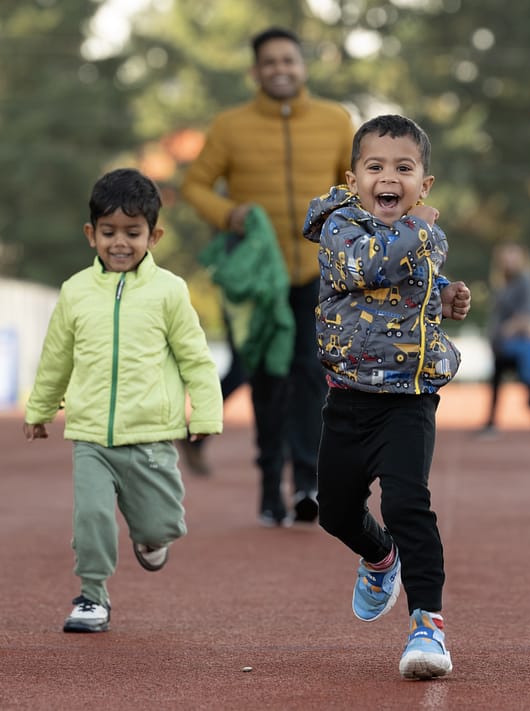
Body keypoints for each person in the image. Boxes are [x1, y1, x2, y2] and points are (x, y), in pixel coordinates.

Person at [303, 114, 472, 679]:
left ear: (424, 183)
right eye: (375, 167)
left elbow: (409, 283)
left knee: (406, 504)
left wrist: (444, 294)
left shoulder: (423, 235)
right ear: (354, 181)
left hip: (408, 399)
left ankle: (428, 624)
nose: (389, 177)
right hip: (348, 397)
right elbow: (367, 267)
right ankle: (380, 557)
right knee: (334, 511)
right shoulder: (340, 228)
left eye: (404, 168)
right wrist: (419, 229)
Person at [23, 168, 224, 633]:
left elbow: (195, 358)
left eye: (132, 233)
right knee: (92, 516)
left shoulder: (169, 291)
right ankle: (92, 595)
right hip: (91, 434)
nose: (119, 243)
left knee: (160, 526)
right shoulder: (75, 292)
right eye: (108, 232)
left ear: (154, 236)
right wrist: (40, 409)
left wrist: (206, 413)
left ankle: (152, 538)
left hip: (151, 435)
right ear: (90, 234)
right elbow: (56, 358)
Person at [181, 26, 355, 526]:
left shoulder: (335, 120)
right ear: (255, 72)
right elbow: (195, 185)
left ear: (303, 66)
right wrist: (229, 214)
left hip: (317, 271)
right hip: (258, 280)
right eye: (270, 62)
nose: (280, 69)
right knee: (265, 378)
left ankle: (307, 485)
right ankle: (269, 489)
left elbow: (355, 182)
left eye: (288, 60)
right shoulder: (230, 126)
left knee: (311, 374)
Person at [482, 243, 530, 433]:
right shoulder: (504, 281)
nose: (509, 260)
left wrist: (508, 329)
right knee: (499, 378)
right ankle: (491, 422)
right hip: (505, 343)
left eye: (513, 255)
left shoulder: (528, 278)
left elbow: (527, 313)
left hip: (521, 342)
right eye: (506, 256)